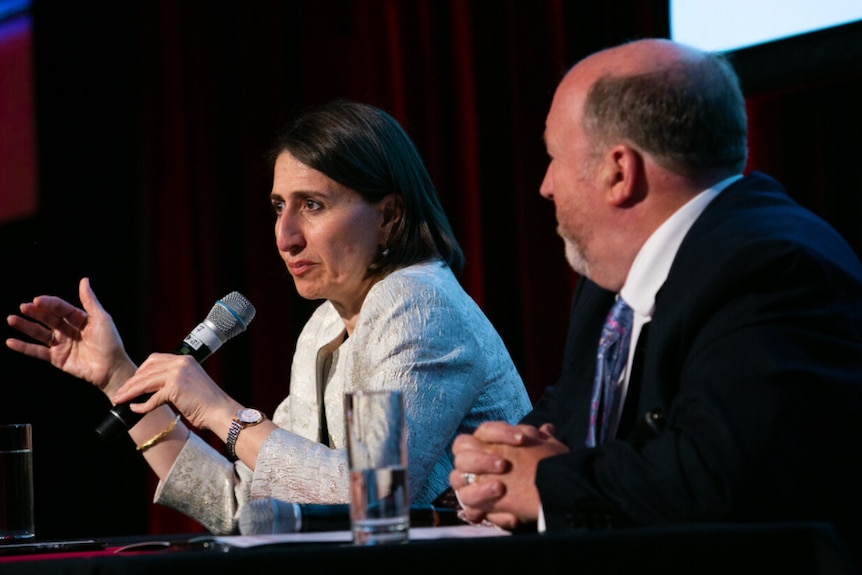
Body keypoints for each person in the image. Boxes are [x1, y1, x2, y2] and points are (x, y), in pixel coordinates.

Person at [6, 100, 532, 535]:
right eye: (279, 205)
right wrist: (119, 375)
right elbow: (242, 507)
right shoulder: (325, 329)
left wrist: (219, 410)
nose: (285, 236)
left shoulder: (416, 300)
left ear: (389, 214)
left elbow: (371, 495)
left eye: (314, 205)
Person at [449, 37, 862, 554]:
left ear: (619, 171)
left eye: (554, 157)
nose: (545, 186)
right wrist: (490, 467)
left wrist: (548, 483)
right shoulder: (609, 283)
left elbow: (718, 471)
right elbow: (566, 418)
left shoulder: (772, 265)